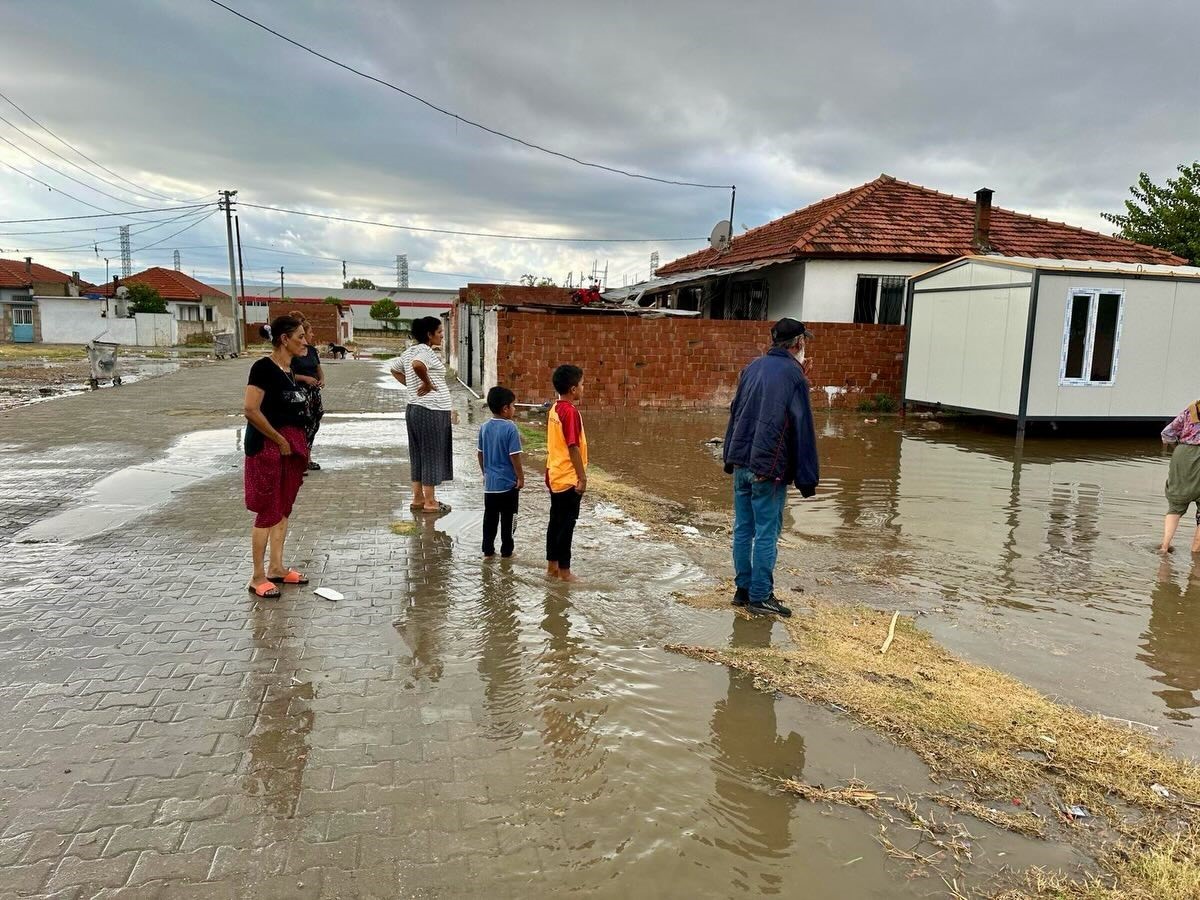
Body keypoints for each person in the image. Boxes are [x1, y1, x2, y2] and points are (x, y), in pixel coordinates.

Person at [722, 318, 819, 617]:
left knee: (743, 528)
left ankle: (743, 590)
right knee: (766, 532)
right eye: (805, 342)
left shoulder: (752, 367)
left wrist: (729, 455)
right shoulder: (795, 377)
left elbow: (736, 411)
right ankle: (760, 596)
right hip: (769, 468)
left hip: (741, 460)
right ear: (799, 343)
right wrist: (807, 478)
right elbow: (802, 428)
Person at [243, 315, 311, 599]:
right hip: (267, 447)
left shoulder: (287, 368)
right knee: (267, 510)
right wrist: (279, 439)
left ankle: (277, 568)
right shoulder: (263, 367)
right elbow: (250, 409)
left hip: (288, 449)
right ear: (284, 339)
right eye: (299, 337)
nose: (304, 342)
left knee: (282, 508)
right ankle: (257, 576)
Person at [390, 316, 453, 513]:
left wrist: (412, 385)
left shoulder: (410, 351)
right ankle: (431, 502)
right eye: (440, 332)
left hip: (414, 409)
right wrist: (425, 383)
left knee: (418, 454)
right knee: (431, 454)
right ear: (429, 334)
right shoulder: (424, 351)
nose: (442, 336)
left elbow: (394, 369)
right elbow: (418, 365)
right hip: (431, 411)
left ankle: (418, 498)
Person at [545, 364, 587, 582]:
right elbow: (573, 447)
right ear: (573, 389)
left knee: (555, 522)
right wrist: (582, 477)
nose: (583, 388)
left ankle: (551, 567)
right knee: (566, 526)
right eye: (581, 384)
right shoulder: (570, 412)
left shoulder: (554, 409)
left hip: (554, 474)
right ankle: (565, 572)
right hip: (568, 478)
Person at [477, 385, 525, 558]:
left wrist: (485, 473)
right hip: (508, 485)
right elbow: (515, 456)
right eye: (513, 406)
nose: (514, 409)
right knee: (509, 520)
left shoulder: (484, 427)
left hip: (490, 486)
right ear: (505, 409)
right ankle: (507, 552)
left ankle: (488, 551)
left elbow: (480, 454)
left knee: (489, 519)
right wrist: (520, 477)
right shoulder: (510, 428)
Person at [1158, 399, 1200, 554]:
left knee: (1175, 506)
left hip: (1182, 456)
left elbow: (1167, 433)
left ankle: (1164, 547)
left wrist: (1180, 448)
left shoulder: (1190, 411)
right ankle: (1195, 555)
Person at [291, 318, 325, 472]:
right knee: (301, 424)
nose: (312, 335)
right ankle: (298, 459)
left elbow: (318, 368)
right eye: (309, 332)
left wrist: (322, 379)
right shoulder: (293, 352)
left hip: (314, 394)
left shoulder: (311, 350)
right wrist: (305, 378)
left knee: (314, 423)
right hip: (300, 394)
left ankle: (308, 457)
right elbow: (287, 373)